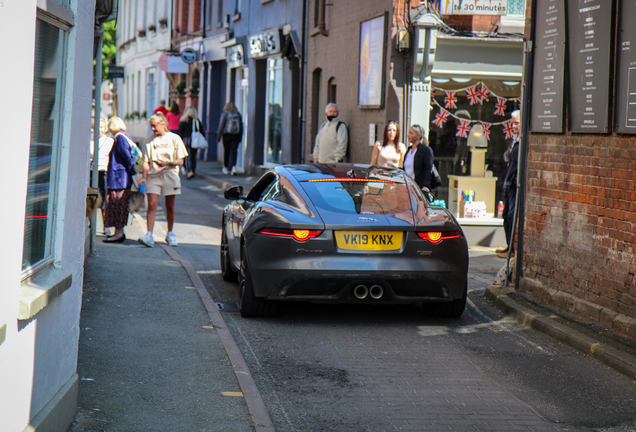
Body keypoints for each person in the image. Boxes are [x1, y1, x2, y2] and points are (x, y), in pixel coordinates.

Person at [137, 113, 188, 248]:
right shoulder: (148, 140)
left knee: (170, 206)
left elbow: (181, 160)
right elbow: (145, 161)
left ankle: (170, 233)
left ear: (163, 124)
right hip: (154, 176)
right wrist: (144, 176)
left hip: (170, 174)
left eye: (154, 126)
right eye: (151, 126)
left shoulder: (174, 138)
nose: (153, 129)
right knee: (152, 205)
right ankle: (149, 234)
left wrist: (168, 163)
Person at [103, 117, 136, 243]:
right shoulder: (124, 136)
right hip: (120, 178)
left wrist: (132, 171)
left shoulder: (120, 137)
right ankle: (118, 233)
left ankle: (119, 233)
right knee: (119, 205)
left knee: (118, 205)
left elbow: (126, 157)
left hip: (119, 180)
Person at [497, 110, 521, 259]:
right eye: (513, 123)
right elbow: (505, 156)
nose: (514, 126)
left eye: (516, 123)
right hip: (509, 182)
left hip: (514, 182)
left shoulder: (522, 140)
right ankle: (509, 245)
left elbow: (513, 160)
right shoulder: (514, 139)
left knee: (512, 215)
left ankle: (512, 248)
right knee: (506, 215)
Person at [90, 118, 114, 229]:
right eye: (97, 127)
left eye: (101, 127)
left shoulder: (110, 141)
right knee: (91, 198)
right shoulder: (89, 140)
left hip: (104, 171)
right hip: (91, 171)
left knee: (104, 198)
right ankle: (92, 223)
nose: (99, 129)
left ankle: (106, 225)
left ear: (105, 129)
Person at [402, 124, 434, 191]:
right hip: (406, 186)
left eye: (411, 133)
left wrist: (426, 186)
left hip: (418, 187)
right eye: (408, 133)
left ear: (418, 136)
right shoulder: (408, 150)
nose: (408, 135)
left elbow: (428, 170)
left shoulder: (425, 150)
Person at [216, 101, 243, 175]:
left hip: (226, 135)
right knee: (234, 151)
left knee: (226, 151)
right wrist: (240, 136)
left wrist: (218, 137)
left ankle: (226, 168)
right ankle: (234, 167)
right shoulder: (238, 114)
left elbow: (221, 126)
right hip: (236, 135)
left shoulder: (225, 114)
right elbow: (241, 126)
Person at [179, 106, 205, 180]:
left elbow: (181, 132)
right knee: (193, 156)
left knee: (187, 156)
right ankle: (192, 170)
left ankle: (189, 171)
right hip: (195, 140)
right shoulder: (196, 121)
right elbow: (201, 131)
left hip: (186, 140)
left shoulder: (184, 121)